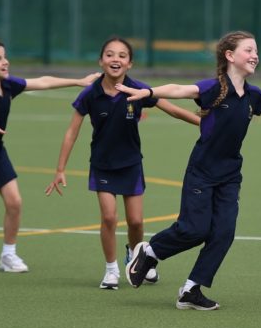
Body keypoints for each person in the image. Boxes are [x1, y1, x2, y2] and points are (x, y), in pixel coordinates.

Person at [116, 30, 261, 310]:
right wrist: (150, 92)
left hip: (229, 175)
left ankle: (191, 289)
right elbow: (181, 90)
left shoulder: (253, 95)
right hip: (202, 170)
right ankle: (150, 251)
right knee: (194, 229)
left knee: (224, 233)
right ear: (230, 56)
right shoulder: (214, 87)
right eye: (249, 50)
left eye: (256, 51)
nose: (255, 55)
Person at [45, 37, 200, 290]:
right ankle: (111, 270)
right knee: (108, 217)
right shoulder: (90, 93)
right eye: (109, 54)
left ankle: (137, 259)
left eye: (121, 55)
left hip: (130, 164)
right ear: (101, 61)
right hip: (102, 164)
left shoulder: (138, 90)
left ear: (130, 63)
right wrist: (60, 168)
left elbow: (172, 109)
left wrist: (203, 124)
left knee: (136, 222)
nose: (115, 59)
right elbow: (72, 131)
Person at [0, 38, 100, 273]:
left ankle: (8, 254)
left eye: (4, 57)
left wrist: (78, 81)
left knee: (15, 202)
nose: (5, 62)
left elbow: (43, 81)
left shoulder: (6, 84)